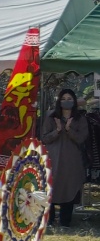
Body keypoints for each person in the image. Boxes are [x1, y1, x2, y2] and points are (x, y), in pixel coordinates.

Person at [38, 88, 91, 228]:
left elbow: (81, 139)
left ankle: (65, 221)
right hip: (53, 159)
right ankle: (49, 220)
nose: (66, 102)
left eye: (69, 99)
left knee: (69, 186)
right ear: (59, 101)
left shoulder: (80, 119)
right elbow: (45, 138)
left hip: (72, 161)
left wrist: (69, 129)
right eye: (63, 99)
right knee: (51, 187)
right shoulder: (51, 116)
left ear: (74, 101)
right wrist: (58, 130)